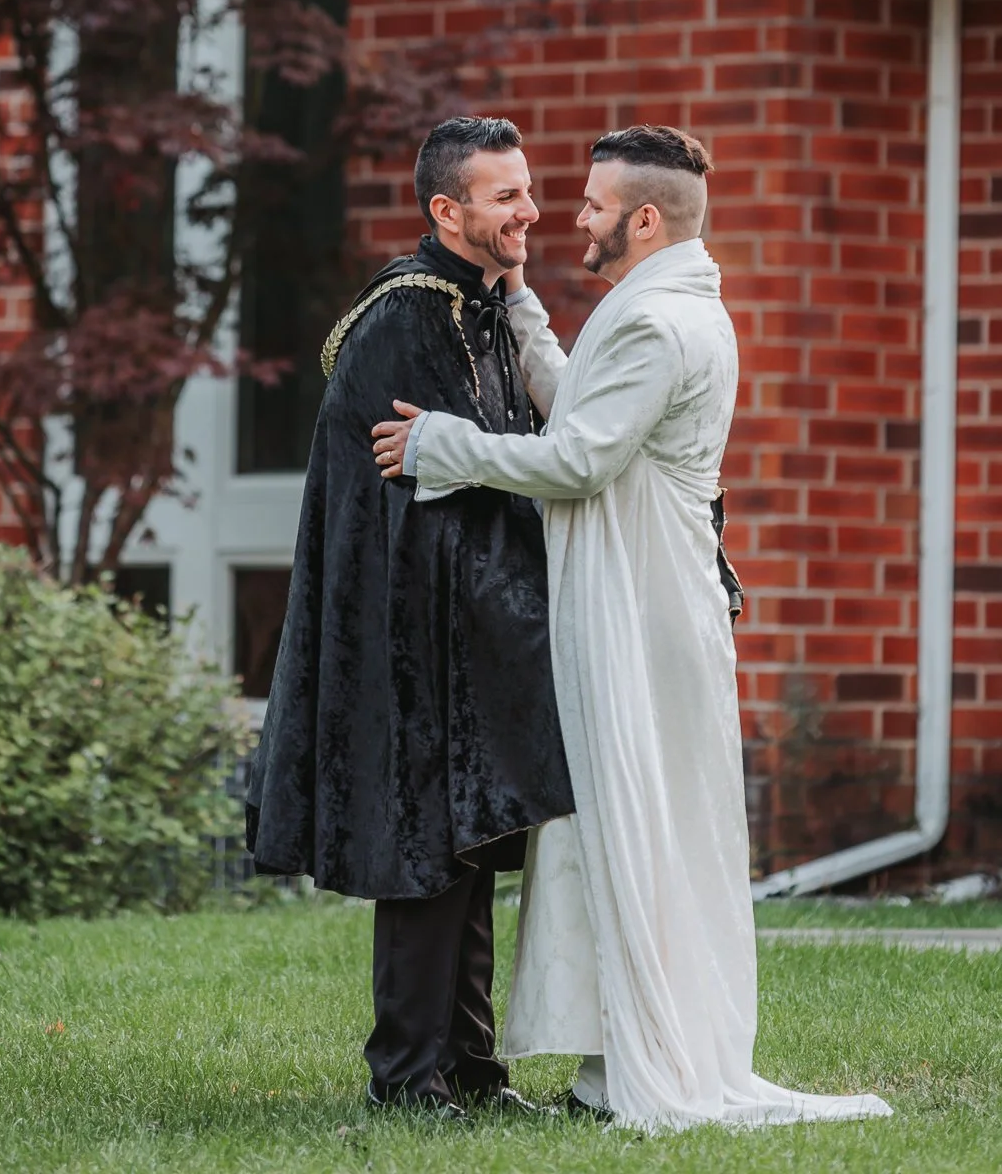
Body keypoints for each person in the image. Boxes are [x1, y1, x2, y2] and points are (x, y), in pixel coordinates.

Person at [372, 124, 893, 1133]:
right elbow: (582, 404)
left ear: (643, 219)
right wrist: (523, 306)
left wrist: (443, 444)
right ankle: (609, 1059)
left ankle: (639, 1063)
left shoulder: (658, 322)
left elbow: (578, 459)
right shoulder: (659, 303)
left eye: (593, 205)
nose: (570, 217)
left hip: (644, 605)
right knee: (616, 825)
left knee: (641, 821)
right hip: (634, 591)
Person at [245, 115, 575, 1120]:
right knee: (425, 854)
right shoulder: (408, 316)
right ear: (446, 209)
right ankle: (407, 1077)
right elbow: (416, 499)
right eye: (505, 195)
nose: (529, 211)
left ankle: (468, 1071)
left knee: (465, 852)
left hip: (462, 629)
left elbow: (491, 460)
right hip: (409, 634)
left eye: (528, 189)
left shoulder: (477, 304)